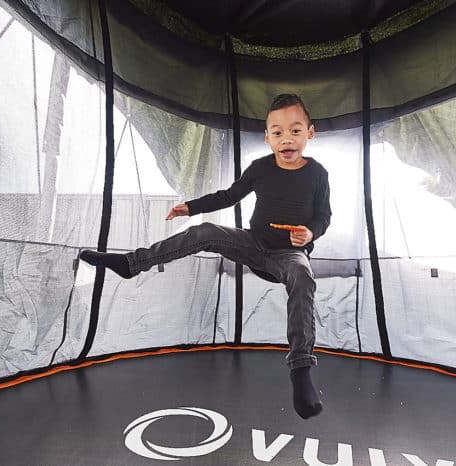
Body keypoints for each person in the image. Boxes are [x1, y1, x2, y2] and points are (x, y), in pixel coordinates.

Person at [81, 94, 331, 419]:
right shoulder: (259, 168)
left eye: (295, 131)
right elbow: (228, 196)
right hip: (253, 244)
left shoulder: (318, 174)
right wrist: (191, 207)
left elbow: (323, 216)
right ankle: (131, 264)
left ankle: (300, 370)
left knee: (302, 275)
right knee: (205, 232)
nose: (287, 139)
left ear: (309, 133)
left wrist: (309, 233)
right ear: (268, 137)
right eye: (278, 132)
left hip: (289, 254)